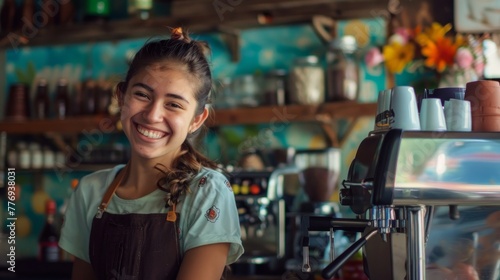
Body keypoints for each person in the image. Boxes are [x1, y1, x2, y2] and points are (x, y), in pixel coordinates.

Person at [59, 27, 244, 280]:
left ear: (196, 120)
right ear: (121, 97)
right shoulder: (90, 191)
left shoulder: (208, 192)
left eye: (174, 104)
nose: (153, 115)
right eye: (142, 95)